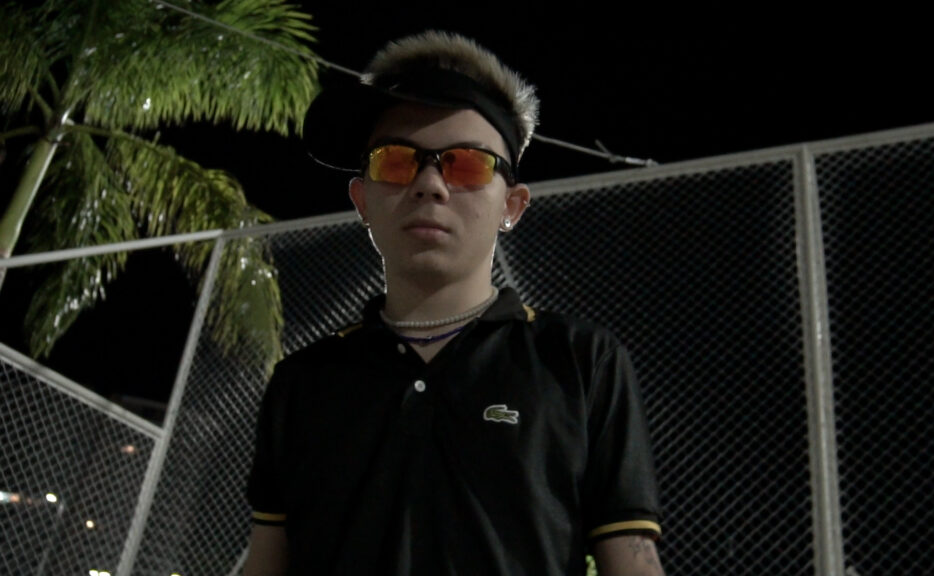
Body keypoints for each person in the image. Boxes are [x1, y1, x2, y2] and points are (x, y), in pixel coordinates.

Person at [242, 30, 664, 576]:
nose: (430, 185)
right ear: (362, 199)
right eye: (397, 161)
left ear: (512, 206)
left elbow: (632, 560)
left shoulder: (582, 362)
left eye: (465, 164)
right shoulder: (301, 383)